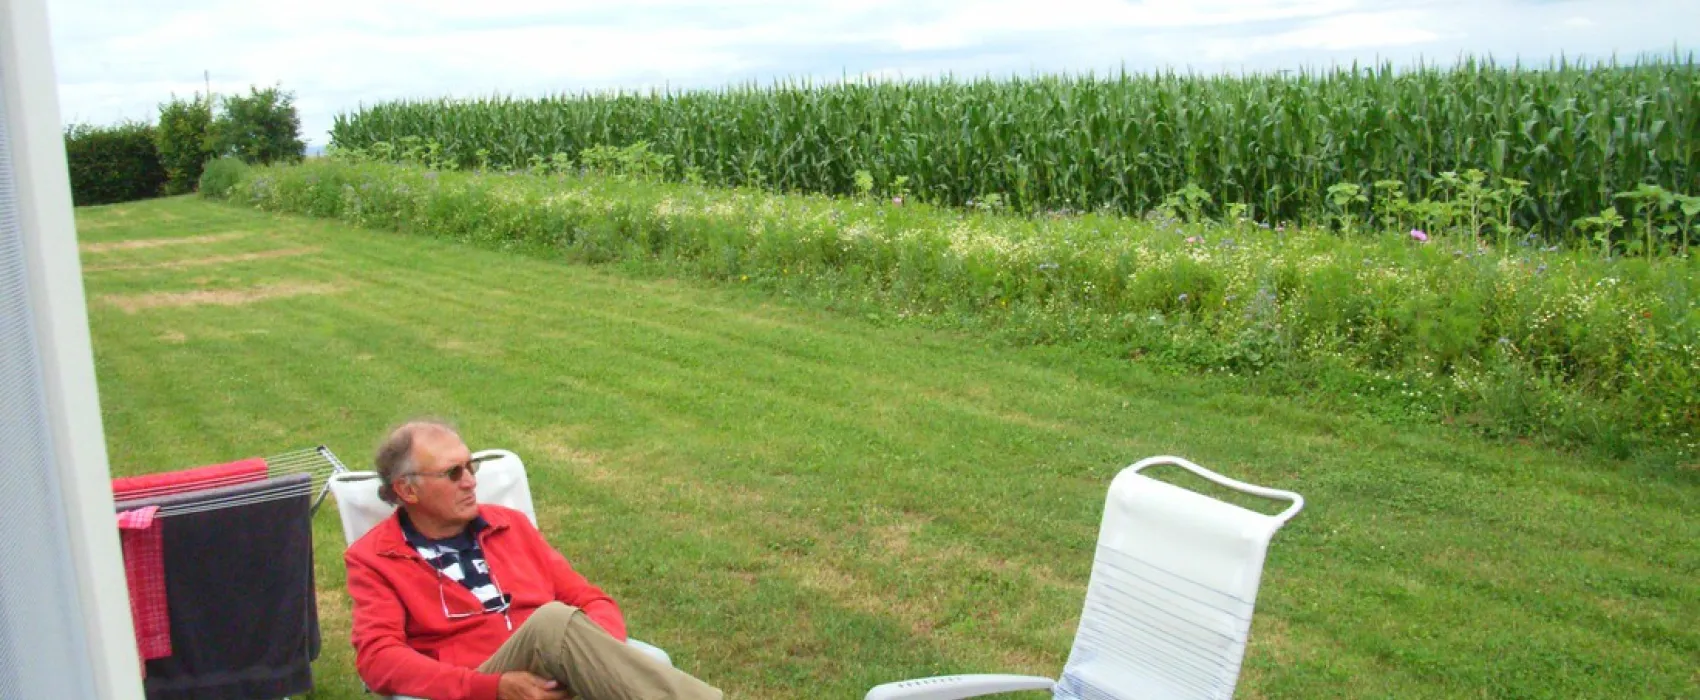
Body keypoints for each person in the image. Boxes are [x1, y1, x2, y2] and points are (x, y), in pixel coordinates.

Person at [345, 419, 723, 700]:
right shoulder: (375, 558)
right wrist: (491, 687)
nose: (470, 481)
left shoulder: (510, 526)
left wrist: (587, 658)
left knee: (567, 629)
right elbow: (378, 658)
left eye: (471, 466)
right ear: (407, 490)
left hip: (551, 668)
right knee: (552, 621)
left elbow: (592, 600)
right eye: (452, 473)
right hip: (474, 682)